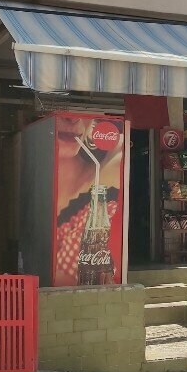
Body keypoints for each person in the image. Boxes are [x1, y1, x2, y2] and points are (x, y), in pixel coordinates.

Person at [53, 116, 123, 286]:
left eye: (83, 116)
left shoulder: (106, 173)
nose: (72, 118)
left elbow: (120, 142)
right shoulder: (37, 190)